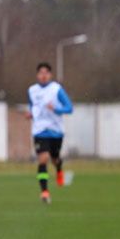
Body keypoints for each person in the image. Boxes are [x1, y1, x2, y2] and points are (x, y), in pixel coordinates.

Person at [26, 62, 73, 204]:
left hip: (56, 131)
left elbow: (69, 108)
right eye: (41, 73)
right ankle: (44, 192)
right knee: (43, 158)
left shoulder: (56, 89)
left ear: (50, 75)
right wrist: (30, 114)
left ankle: (59, 169)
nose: (43, 75)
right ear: (37, 75)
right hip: (39, 130)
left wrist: (56, 109)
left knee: (54, 159)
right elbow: (32, 107)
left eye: (46, 73)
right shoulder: (32, 90)